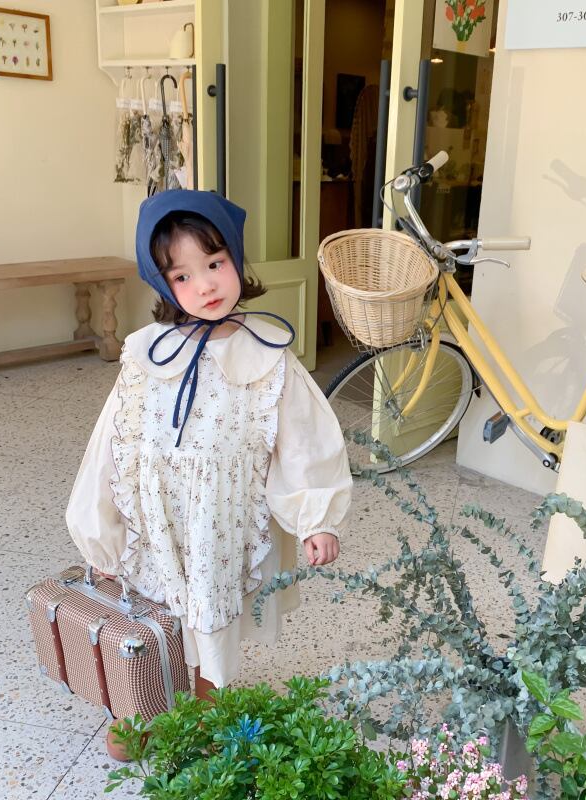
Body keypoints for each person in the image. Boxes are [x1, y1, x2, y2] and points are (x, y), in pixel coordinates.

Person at [66, 190, 352, 760]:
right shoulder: (146, 354)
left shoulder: (267, 355)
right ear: (163, 284)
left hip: (218, 523)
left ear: (236, 260)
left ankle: (205, 706)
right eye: (182, 275)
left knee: (208, 616)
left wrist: (316, 516)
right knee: (148, 612)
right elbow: (111, 444)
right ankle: (139, 704)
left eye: (215, 263)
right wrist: (100, 529)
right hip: (155, 517)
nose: (205, 285)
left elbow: (303, 440)